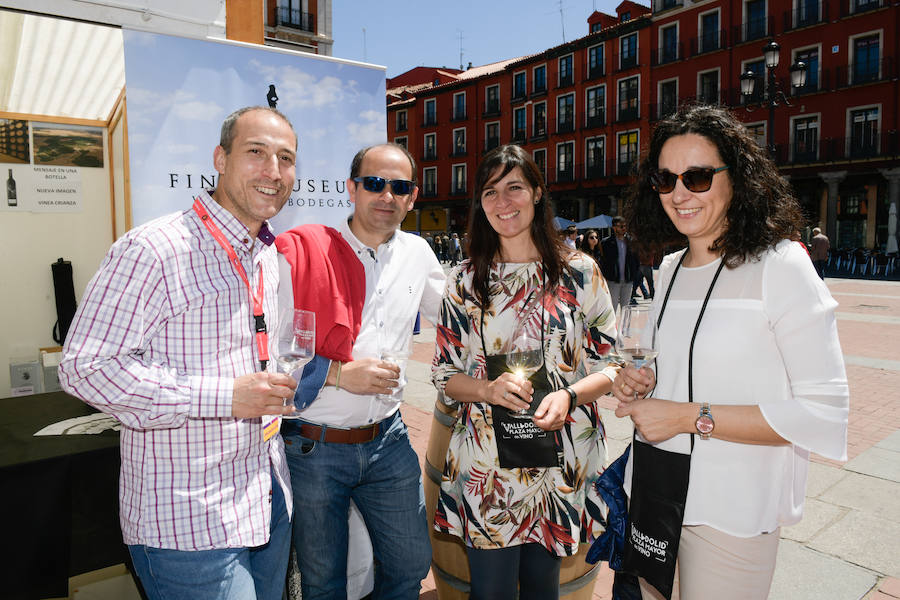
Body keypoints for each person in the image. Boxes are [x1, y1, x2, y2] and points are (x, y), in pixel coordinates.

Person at [58, 106, 300, 600]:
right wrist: (224, 396)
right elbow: (84, 369)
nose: (273, 172)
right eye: (256, 152)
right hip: (188, 521)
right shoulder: (153, 249)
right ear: (220, 158)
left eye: (286, 158)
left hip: (265, 494)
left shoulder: (266, 255)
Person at [614, 105, 849, 600]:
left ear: (736, 179)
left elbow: (822, 413)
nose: (679, 194)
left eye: (697, 177)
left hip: (731, 511)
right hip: (655, 495)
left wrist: (683, 417)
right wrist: (640, 382)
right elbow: (681, 366)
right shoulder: (669, 268)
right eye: (665, 178)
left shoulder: (780, 265)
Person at [431, 145, 618, 600]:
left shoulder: (580, 272)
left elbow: (610, 363)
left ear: (536, 193)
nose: (502, 202)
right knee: (491, 592)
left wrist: (570, 396)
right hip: (488, 464)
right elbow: (442, 372)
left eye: (514, 187)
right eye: (490, 192)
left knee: (542, 590)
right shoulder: (465, 280)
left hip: (561, 455)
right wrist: (487, 389)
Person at [276, 142, 445, 599]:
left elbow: (460, 319)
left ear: (412, 197)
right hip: (314, 446)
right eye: (374, 183)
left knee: (410, 563)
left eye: (400, 187)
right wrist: (336, 374)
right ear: (351, 189)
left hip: (387, 441)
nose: (386, 195)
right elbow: (272, 348)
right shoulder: (304, 252)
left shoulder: (418, 252)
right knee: (323, 581)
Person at [600, 216, 640, 312]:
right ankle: (613, 327)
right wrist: (606, 276)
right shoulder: (606, 243)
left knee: (626, 309)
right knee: (612, 308)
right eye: (621, 226)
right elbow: (602, 261)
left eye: (625, 226)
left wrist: (634, 275)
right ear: (614, 227)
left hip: (628, 280)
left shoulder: (631, 242)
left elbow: (636, 260)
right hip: (613, 280)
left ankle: (625, 327)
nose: (624, 228)